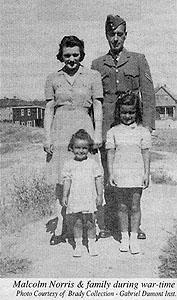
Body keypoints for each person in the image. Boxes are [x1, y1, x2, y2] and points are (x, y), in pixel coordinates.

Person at [91, 14, 155, 239]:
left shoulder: (138, 59)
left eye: (119, 34)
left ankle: (135, 225)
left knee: (135, 172)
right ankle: (110, 223)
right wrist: (95, 131)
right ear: (106, 36)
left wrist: (147, 126)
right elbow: (95, 100)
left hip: (132, 124)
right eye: (111, 34)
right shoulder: (97, 64)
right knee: (110, 172)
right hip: (108, 125)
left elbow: (147, 93)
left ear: (125, 36)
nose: (115, 39)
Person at [43, 36, 103, 245]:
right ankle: (62, 224)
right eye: (67, 55)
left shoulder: (93, 76)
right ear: (61, 55)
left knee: (87, 173)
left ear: (81, 54)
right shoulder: (53, 78)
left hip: (83, 128)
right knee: (62, 177)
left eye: (75, 54)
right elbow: (49, 109)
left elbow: (97, 106)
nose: (71, 59)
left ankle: (91, 221)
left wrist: (98, 133)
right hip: (60, 130)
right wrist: (47, 137)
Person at [106, 91, 151, 254]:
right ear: (118, 112)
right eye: (124, 112)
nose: (127, 116)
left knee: (135, 205)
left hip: (137, 173)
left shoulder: (143, 132)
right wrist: (111, 174)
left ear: (136, 112)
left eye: (131, 112)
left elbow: (146, 153)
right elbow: (110, 153)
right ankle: (124, 237)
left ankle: (134, 237)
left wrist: (146, 174)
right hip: (120, 173)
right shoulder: (113, 132)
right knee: (122, 206)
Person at [61, 129, 103, 257]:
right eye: (77, 147)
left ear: (89, 149)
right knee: (77, 222)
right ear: (72, 148)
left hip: (89, 197)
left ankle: (91, 244)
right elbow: (67, 181)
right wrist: (64, 195)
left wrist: (99, 195)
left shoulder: (92, 163)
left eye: (84, 148)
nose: (81, 151)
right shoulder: (69, 164)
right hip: (76, 197)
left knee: (91, 222)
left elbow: (98, 179)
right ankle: (78, 245)